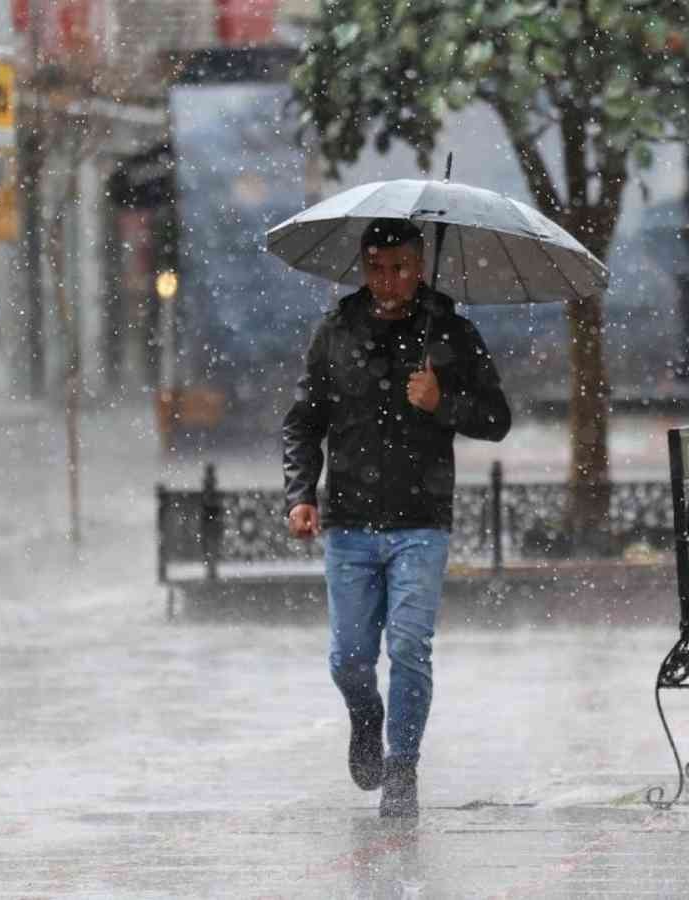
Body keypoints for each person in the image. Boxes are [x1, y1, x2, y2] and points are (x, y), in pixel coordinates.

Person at [282, 218, 511, 817]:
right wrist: (300, 493)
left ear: (421, 268)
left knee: (410, 646)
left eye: (401, 268)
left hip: (421, 520)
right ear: (364, 266)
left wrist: (443, 404)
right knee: (349, 657)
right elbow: (304, 420)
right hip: (349, 520)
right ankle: (366, 715)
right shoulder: (335, 330)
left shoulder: (452, 334)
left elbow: (496, 418)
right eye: (377, 268)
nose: (388, 281)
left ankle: (403, 767)